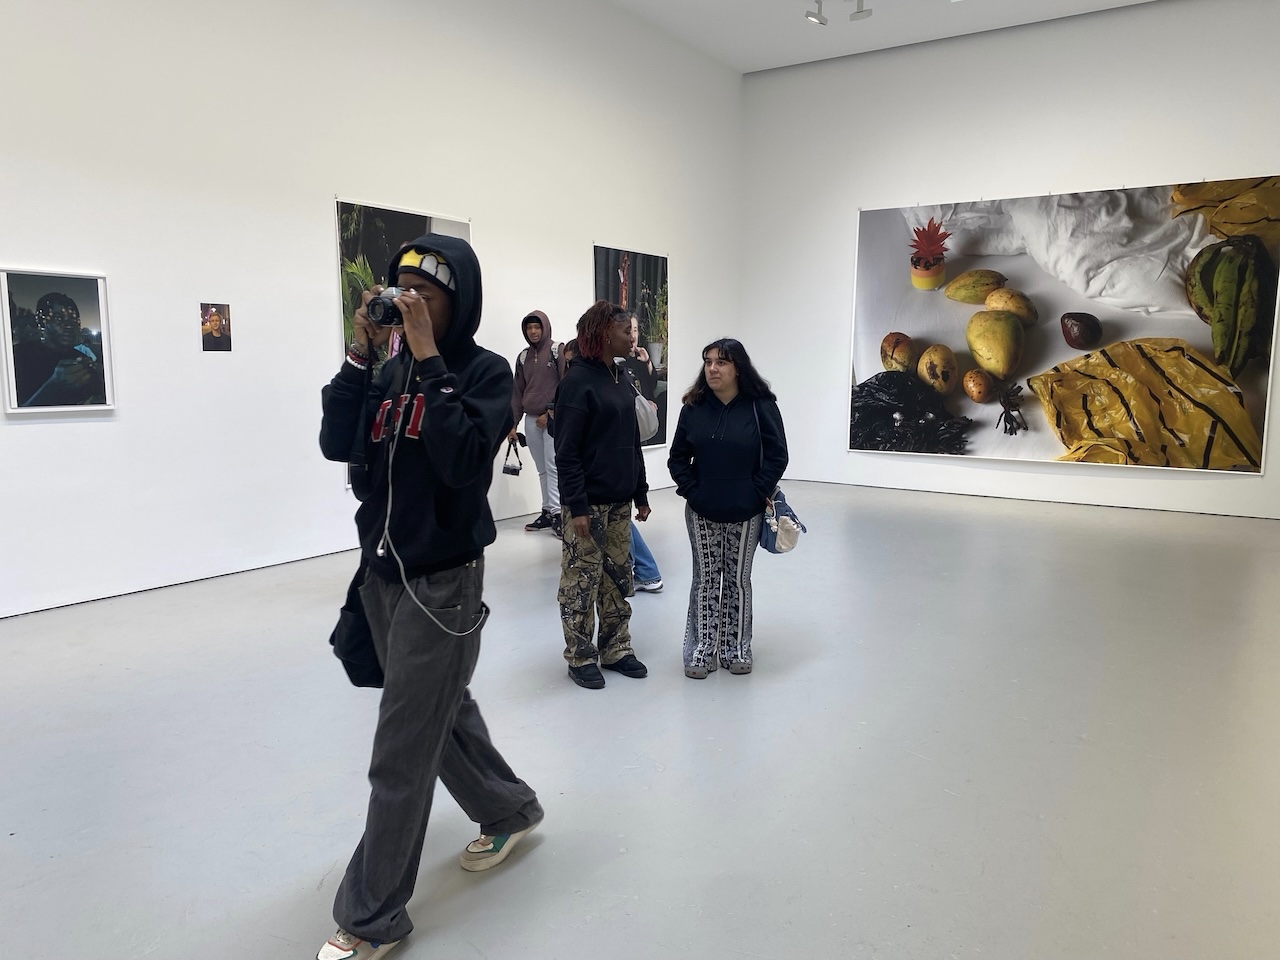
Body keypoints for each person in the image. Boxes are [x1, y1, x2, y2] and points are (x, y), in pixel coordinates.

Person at [318, 235, 543, 960]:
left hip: (442, 582)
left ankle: (372, 917)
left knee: (402, 749)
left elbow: (461, 462)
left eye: (426, 293)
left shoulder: (483, 372)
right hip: (382, 570)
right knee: (437, 711)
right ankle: (508, 808)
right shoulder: (386, 372)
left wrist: (428, 358)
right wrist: (361, 357)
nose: (410, 301)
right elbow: (337, 443)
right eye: (401, 290)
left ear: (459, 299)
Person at [667, 338, 788, 679]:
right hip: (702, 510)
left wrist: (755, 491)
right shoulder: (693, 407)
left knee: (737, 581)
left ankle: (736, 648)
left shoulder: (760, 406)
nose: (713, 369)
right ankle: (702, 650)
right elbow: (677, 458)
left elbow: (778, 455)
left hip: (746, 510)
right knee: (705, 580)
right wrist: (693, 492)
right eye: (708, 362)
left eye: (721, 362)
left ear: (738, 368)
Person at [553, 300, 651, 690]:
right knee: (581, 580)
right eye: (626, 331)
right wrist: (576, 505)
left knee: (617, 578)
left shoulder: (620, 376)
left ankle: (616, 649)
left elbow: (632, 439)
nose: (632, 337)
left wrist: (640, 492)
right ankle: (580, 655)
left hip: (620, 499)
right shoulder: (577, 382)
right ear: (604, 333)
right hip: (587, 504)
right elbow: (566, 452)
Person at [508, 310, 562, 536]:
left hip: (552, 419)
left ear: (545, 327)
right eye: (529, 328)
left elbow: (567, 385)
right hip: (531, 420)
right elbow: (517, 393)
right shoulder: (523, 357)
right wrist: (513, 425)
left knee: (553, 465)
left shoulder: (557, 351)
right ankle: (548, 511)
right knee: (542, 469)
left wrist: (550, 412)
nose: (533, 331)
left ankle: (559, 513)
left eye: (537, 327)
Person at [11, 292, 106, 407]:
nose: (69, 325)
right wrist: (53, 386)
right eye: (58, 318)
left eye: (74, 320)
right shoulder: (17, 357)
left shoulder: (81, 358)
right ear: (41, 322)